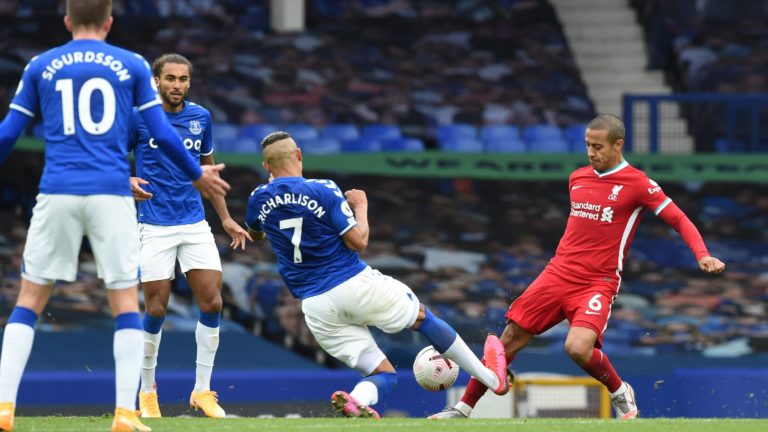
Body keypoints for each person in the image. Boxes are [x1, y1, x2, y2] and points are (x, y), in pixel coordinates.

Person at [0, 1, 230, 431]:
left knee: (29, 301)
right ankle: (127, 413)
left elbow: (10, 131)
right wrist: (197, 172)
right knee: (127, 303)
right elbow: (159, 130)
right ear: (108, 22)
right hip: (111, 194)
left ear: (67, 21)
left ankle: (3, 409)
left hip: (58, 189)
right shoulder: (131, 64)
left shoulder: (42, 64)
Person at [429, 114, 725, 420]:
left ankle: (620, 390)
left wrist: (702, 254)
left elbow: (678, 218)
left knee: (577, 349)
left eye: (598, 146)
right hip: (558, 273)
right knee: (507, 340)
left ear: (618, 145)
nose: (591, 152)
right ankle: (462, 409)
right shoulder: (578, 178)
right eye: (587, 145)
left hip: (597, 282)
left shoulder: (638, 183)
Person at [244, 131, 510, 419]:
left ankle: (356, 400)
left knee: (383, 373)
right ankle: (492, 379)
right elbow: (358, 242)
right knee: (421, 317)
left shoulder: (258, 198)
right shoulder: (323, 188)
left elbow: (255, 234)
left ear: (266, 167)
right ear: (298, 154)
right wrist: (361, 206)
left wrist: (276, 199)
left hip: (315, 306)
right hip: (351, 283)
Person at [126, 53, 248, 419]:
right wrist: (124, 178)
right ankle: (147, 393)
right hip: (154, 225)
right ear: (156, 81)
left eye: (183, 79)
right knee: (156, 309)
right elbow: (112, 156)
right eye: (170, 78)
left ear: (189, 83)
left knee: (212, 304)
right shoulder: (139, 117)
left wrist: (225, 217)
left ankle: (202, 391)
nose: (176, 85)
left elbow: (210, 174)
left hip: (195, 223)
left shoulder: (201, 118)